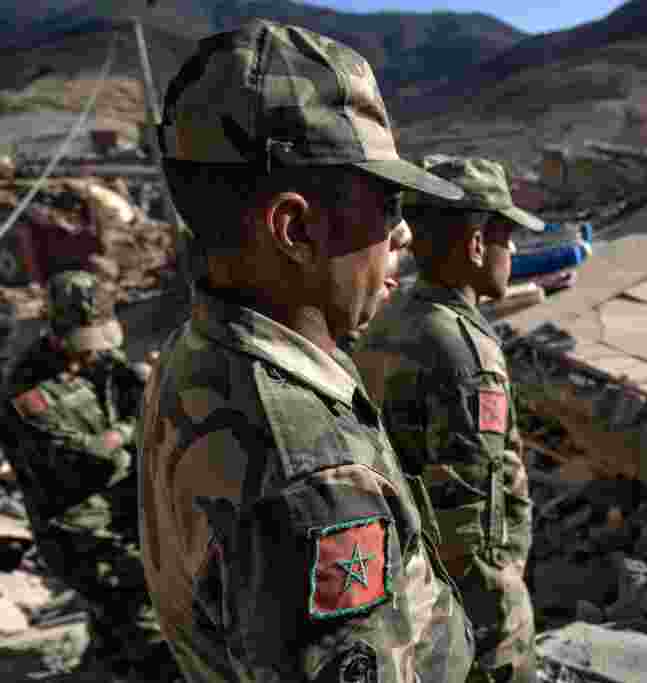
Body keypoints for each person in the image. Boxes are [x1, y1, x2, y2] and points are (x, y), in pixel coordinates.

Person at [139, 20, 474, 683]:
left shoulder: (201, 350)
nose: (403, 233)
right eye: (387, 203)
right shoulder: (313, 480)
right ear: (294, 229)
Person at [354, 155, 545, 683]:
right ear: (477, 243)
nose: (513, 253)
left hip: (404, 573)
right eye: (507, 237)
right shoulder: (463, 352)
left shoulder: (394, 317)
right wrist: (501, 616)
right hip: (464, 593)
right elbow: (472, 518)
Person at [0, 270, 175, 681]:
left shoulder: (99, 361)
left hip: (123, 515)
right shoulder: (27, 392)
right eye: (85, 343)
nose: (95, 353)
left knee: (116, 634)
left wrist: (149, 386)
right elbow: (97, 457)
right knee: (148, 626)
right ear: (57, 333)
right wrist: (135, 426)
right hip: (81, 535)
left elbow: (142, 397)